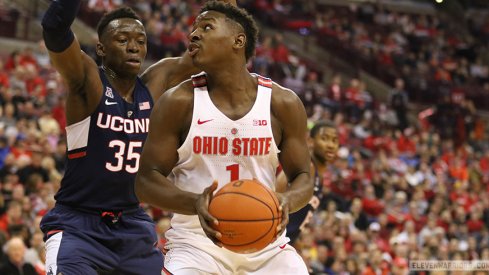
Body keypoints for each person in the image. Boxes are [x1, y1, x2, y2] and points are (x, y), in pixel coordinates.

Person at [135, 2, 312, 274]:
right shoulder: (177, 102)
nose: (193, 35)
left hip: (266, 244)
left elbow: (303, 174)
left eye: (206, 27)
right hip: (196, 244)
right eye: (193, 29)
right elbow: (146, 180)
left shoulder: (282, 102)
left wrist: (287, 200)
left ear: (238, 41)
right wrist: (194, 202)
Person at [39, 1, 164, 274]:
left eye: (140, 41)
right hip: (78, 225)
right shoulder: (89, 82)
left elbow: (206, 57)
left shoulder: (154, 84)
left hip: (132, 225)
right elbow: (54, 26)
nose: (133, 47)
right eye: (122, 40)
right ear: (101, 49)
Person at [277, 120, 339, 244]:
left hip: (285, 242)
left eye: (334, 140)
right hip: (272, 241)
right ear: (310, 141)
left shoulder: (319, 177)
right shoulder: (305, 166)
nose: (331, 145)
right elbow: (275, 193)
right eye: (324, 138)